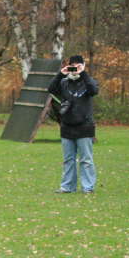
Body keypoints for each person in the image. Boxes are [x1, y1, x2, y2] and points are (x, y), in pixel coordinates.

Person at [48, 54, 99, 193]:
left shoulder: (89, 81)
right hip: (67, 126)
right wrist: (61, 74)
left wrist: (83, 73)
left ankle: (88, 187)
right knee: (68, 159)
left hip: (85, 126)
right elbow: (51, 89)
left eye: (78, 65)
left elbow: (93, 90)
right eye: (72, 65)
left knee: (86, 159)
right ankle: (67, 186)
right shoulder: (64, 82)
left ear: (83, 66)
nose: (75, 68)